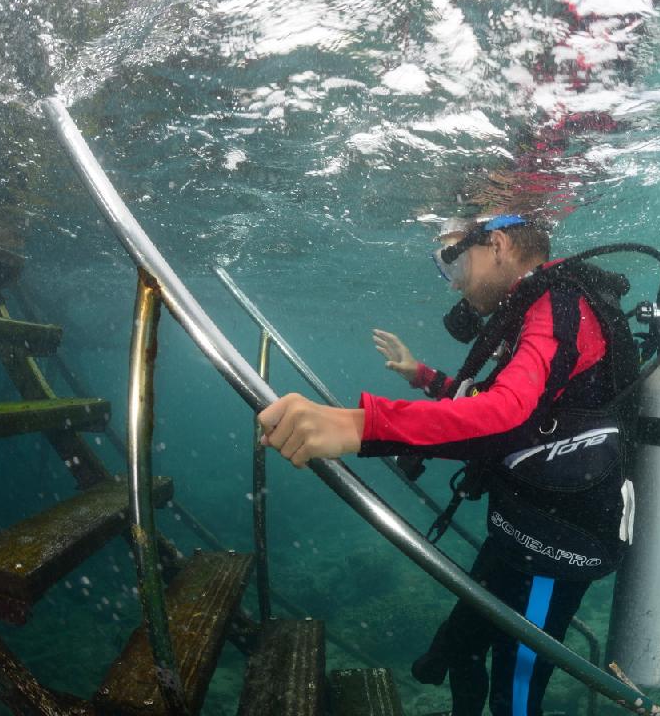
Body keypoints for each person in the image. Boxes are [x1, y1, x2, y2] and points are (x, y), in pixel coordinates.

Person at [258, 214, 636, 716]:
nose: (453, 283)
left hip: (559, 540)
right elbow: (501, 396)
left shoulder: (556, 306)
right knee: (457, 647)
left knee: (516, 695)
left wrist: (360, 426)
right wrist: (423, 376)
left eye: (454, 262)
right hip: (522, 528)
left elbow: (504, 414)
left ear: (497, 244)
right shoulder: (538, 304)